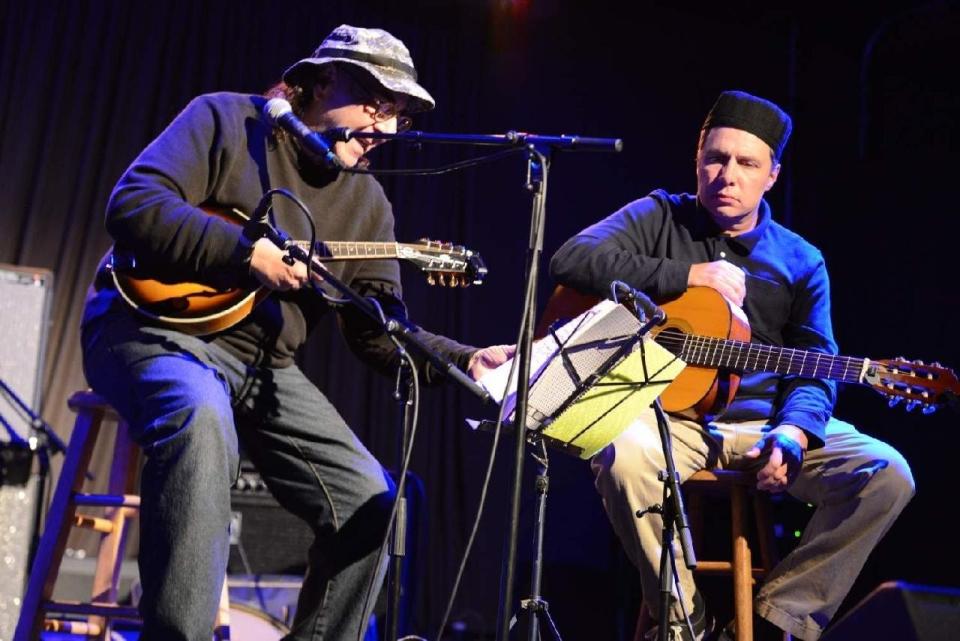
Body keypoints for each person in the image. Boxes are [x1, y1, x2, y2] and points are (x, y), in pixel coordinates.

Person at [81, 24, 511, 641]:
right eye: (375, 104)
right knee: (201, 418)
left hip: (264, 368)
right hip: (148, 332)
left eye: (397, 117)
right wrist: (242, 252)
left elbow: (378, 333)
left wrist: (465, 360)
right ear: (322, 80)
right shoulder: (227, 120)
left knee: (375, 502)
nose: (383, 130)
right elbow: (135, 204)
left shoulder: (369, 205)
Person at [548, 90, 914, 641]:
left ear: (772, 175)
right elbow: (570, 260)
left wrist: (794, 431)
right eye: (715, 159)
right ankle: (684, 621)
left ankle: (776, 619)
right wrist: (685, 278)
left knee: (887, 474)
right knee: (620, 453)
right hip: (667, 422)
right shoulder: (659, 215)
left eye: (746, 164)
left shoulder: (800, 259)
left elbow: (815, 362)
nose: (726, 175)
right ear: (697, 161)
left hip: (764, 424)